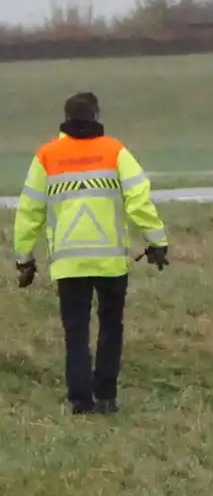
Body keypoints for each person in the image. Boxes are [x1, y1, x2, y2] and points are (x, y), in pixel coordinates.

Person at [12, 92, 170, 415]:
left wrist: (24, 259)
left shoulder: (47, 156)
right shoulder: (116, 151)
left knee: (76, 332)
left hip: (69, 262)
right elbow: (139, 200)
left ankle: (80, 402)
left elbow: (29, 211)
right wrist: (157, 242)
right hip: (110, 261)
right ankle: (107, 397)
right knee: (111, 326)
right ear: (96, 116)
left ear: (66, 118)